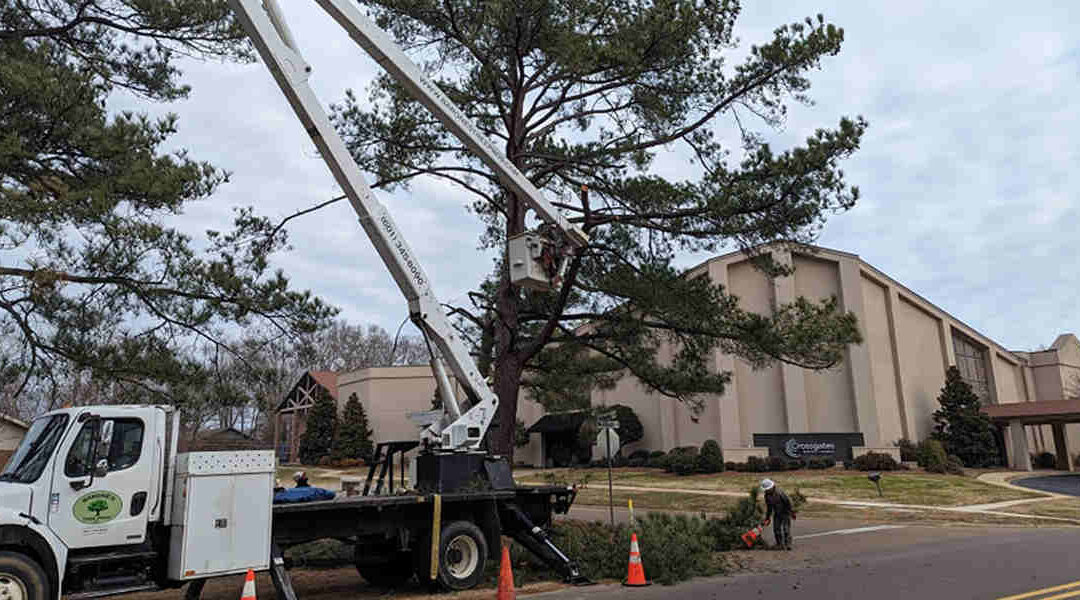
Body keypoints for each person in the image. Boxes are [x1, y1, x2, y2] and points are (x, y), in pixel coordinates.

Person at [761, 478, 796, 550]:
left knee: (786, 529)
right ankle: (779, 544)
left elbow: (788, 503)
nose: (766, 491)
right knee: (776, 529)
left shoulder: (780, 493)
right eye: (765, 490)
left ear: (772, 487)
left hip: (785, 513)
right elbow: (769, 507)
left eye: (767, 489)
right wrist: (767, 518)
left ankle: (788, 544)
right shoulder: (767, 496)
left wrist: (792, 512)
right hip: (777, 514)